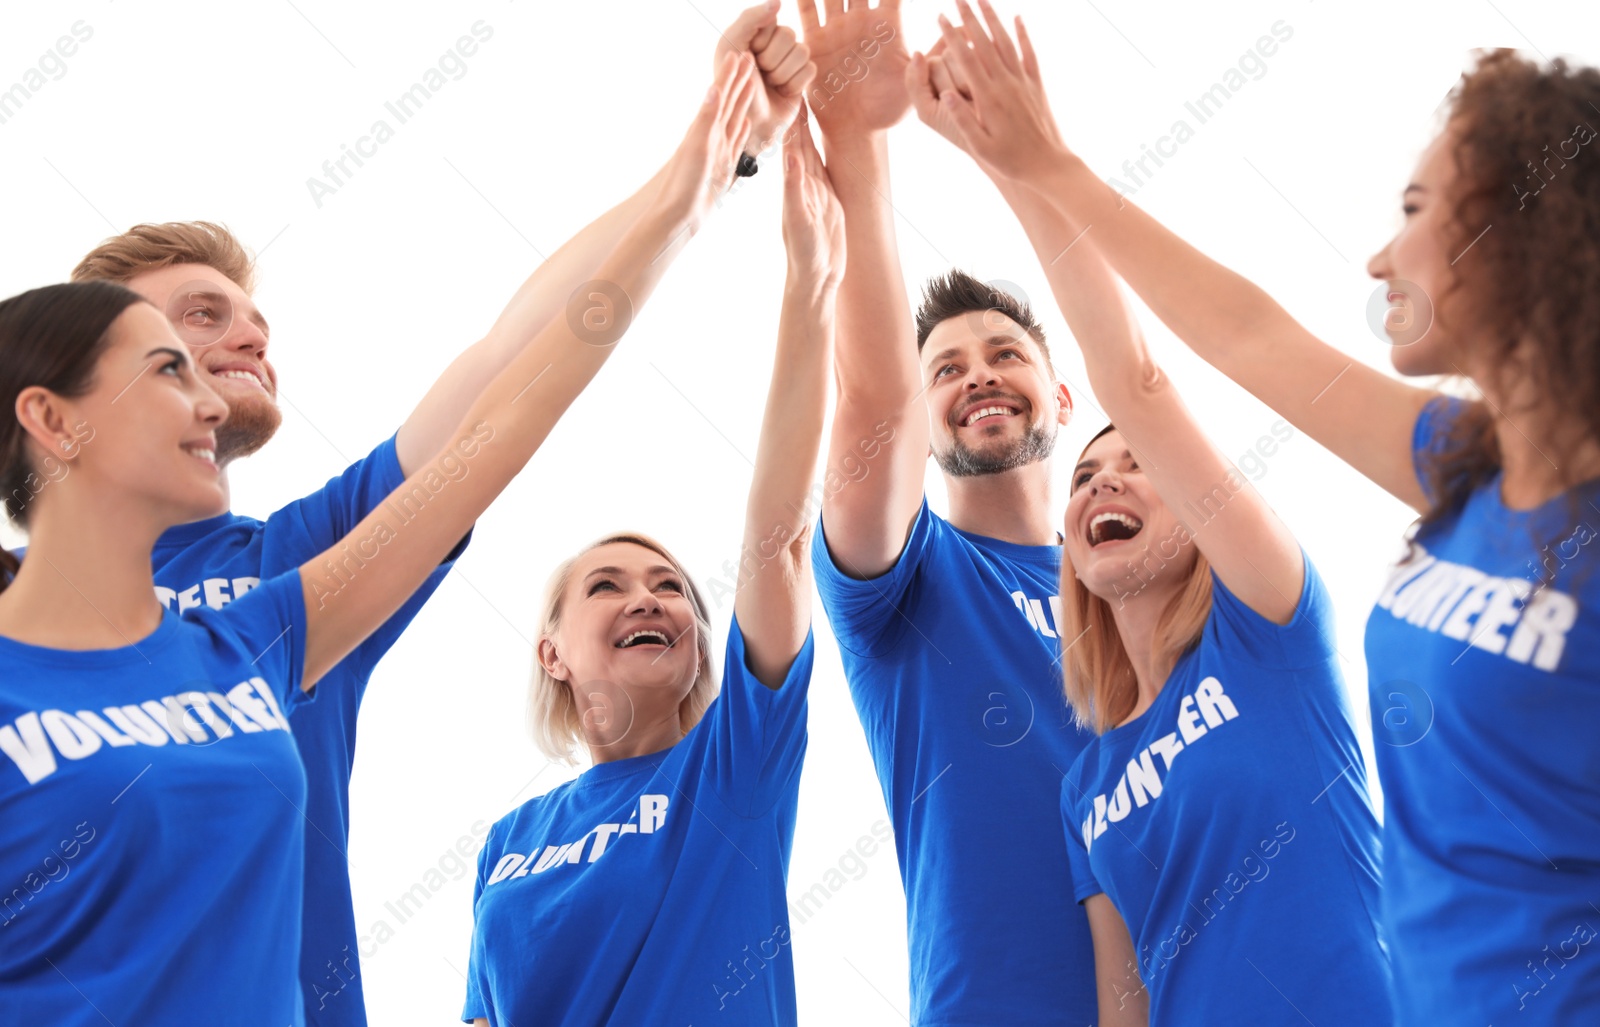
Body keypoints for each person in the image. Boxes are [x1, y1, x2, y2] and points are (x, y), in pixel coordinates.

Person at [41, 6, 812, 1023]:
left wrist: (708, 162)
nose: (249, 332)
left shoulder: (291, 578)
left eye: (254, 318)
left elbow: (510, 361)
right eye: (197, 316)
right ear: (66, 393)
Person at [919, 4, 1600, 1021]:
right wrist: (1036, 164)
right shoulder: (1460, 463)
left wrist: (1040, 167)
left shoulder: (1263, 631)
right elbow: (1230, 340)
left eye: (1414, 209)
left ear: (1522, 227)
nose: (1377, 260)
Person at [461, 101, 840, 1027]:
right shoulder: (510, 842)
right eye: (609, 585)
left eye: (673, 586)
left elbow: (779, 538)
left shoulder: (731, 766)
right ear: (551, 651)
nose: (654, 598)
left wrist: (810, 280)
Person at [796, 0, 1105, 1020]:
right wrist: (861, 143)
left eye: (1006, 354)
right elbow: (871, 394)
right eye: (948, 370)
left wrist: (1031, 154)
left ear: (1060, 397)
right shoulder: (906, 582)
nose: (978, 378)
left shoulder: (1140, 581)